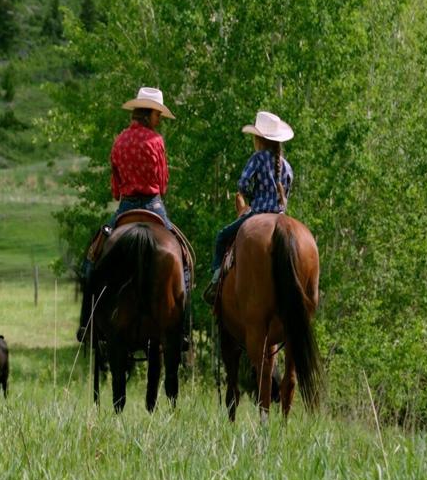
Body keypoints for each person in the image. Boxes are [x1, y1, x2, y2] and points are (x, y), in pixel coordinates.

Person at [77, 86, 192, 346]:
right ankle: (182, 329)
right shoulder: (157, 142)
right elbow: (162, 184)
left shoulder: (119, 141)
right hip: (154, 207)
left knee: (92, 258)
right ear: (149, 114)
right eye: (158, 115)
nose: (159, 120)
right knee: (182, 259)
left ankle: (87, 323)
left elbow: (115, 188)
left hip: (126, 208)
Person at [205, 111, 295, 305]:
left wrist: (254, 198)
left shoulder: (257, 158)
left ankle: (215, 283)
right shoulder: (286, 165)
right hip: (280, 214)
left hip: (257, 212)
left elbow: (243, 184)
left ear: (258, 138)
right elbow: (287, 192)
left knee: (222, 236)